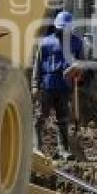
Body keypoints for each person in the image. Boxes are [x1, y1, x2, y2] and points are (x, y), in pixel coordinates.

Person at [31, 10, 84, 160]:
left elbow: (82, 63)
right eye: (61, 29)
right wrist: (35, 85)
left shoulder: (77, 42)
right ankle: (37, 148)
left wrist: (78, 68)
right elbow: (37, 65)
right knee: (40, 118)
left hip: (65, 86)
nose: (63, 32)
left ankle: (63, 150)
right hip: (47, 85)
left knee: (63, 119)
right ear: (56, 27)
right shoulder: (46, 42)